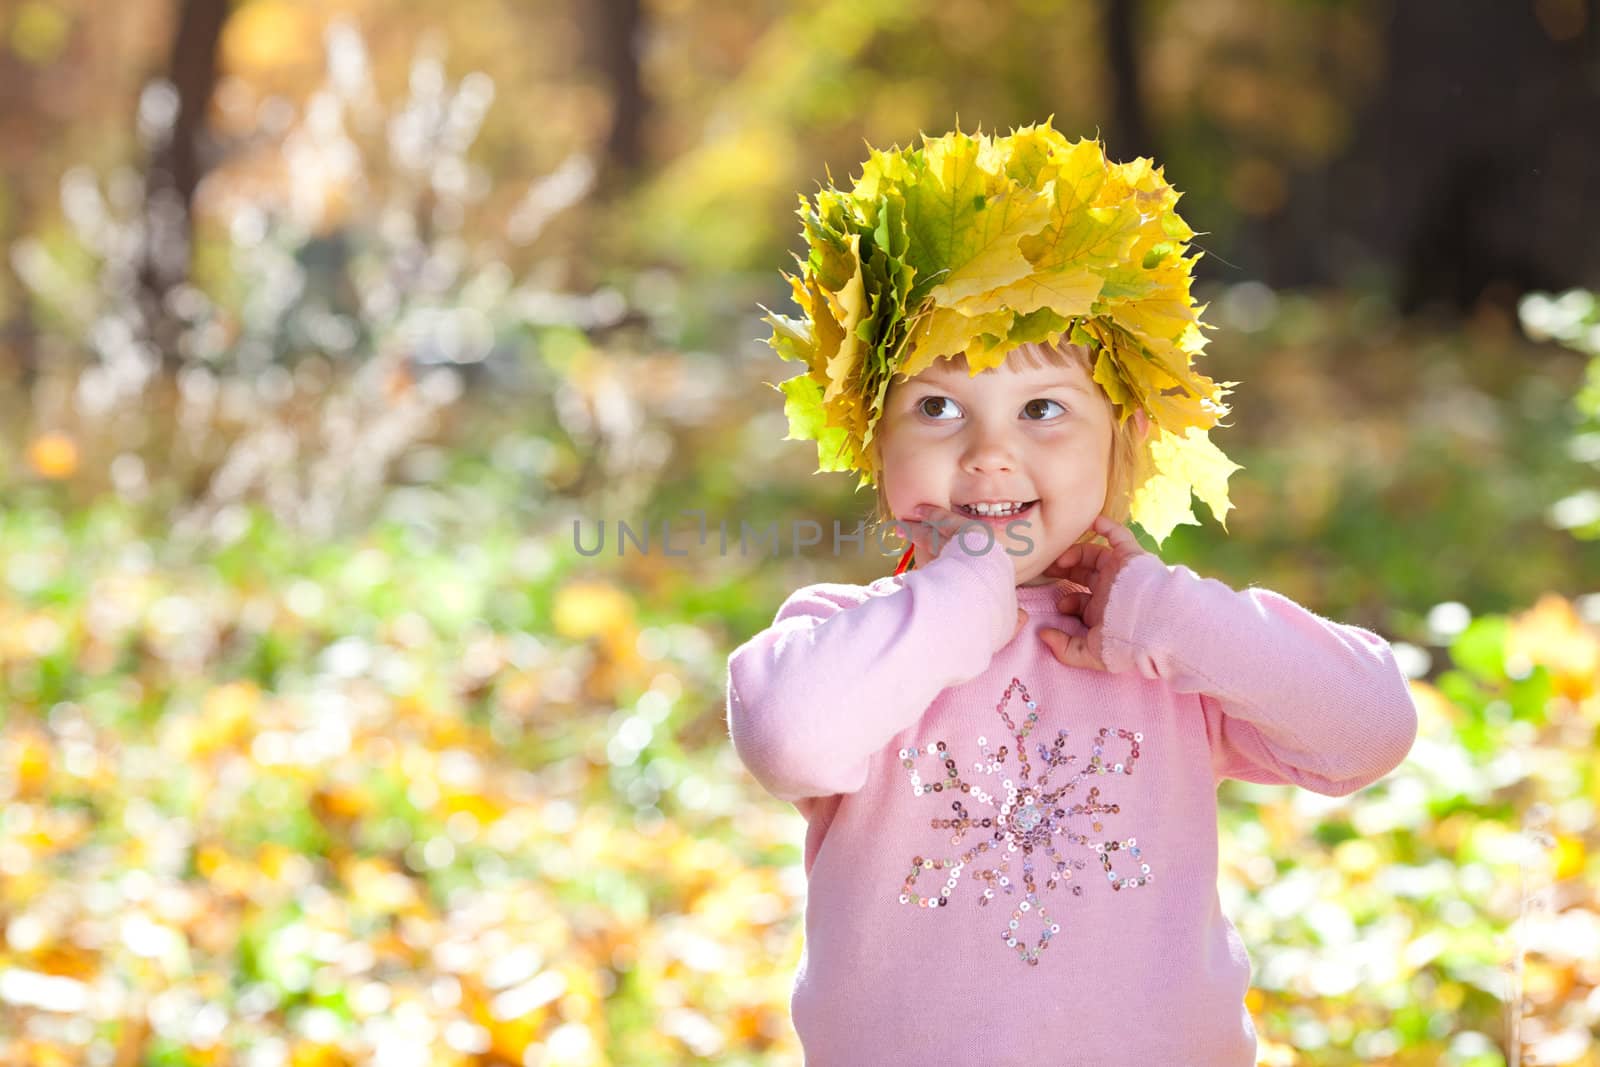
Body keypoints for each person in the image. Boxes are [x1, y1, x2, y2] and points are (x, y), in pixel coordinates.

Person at [724, 122, 1418, 1065]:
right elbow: (788, 737)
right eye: (935, 407)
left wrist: (1165, 612)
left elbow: (1369, 729)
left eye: (1044, 408)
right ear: (872, 442)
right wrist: (961, 600)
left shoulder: (1162, 648)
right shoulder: (851, 641)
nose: (989, 452)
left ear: (1119, 438)